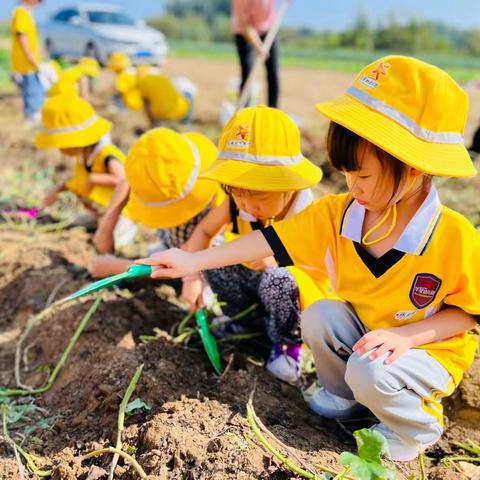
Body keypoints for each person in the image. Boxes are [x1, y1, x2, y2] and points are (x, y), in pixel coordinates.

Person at [136, 56, 480, 461]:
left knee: (369, 370)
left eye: (363, 176)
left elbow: (468, 315)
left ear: (413, 169)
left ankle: (414, 426)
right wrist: (193, 263)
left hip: (424, 351)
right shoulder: (341, 214)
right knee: (321, 315)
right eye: (347, 174)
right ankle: (346, 397)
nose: (353, 186)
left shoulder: (453, 235)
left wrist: (405, 338)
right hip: (368, 342)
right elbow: (270, 241)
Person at [181, 105, 331, 383]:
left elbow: (323, 273)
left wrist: (274, 262)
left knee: (278, 279)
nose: (248, 205)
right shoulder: (238, 205)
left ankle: (288, 344)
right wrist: (192, 276)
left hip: (301, 300)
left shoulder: (311, 215)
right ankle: (243, 321)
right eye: (238, 194)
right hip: (254, 289)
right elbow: (203, 231)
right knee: (216, 260)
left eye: (259, 195)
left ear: (289, 183)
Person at [90, 128, 225, 291]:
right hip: (174, 243)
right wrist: (106, 228)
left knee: (208, 287)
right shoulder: (175, 165)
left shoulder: (218, 209)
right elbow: (128, 181)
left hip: (203, 261)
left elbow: (186, 258)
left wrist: (118, 268)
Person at [34, 94, 134, 242]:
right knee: (73, 223)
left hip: (121, 212)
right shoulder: (84, 158)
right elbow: (76, 181)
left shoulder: (107, 156)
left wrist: (94, 178)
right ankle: (98, 220)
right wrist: (58, 191)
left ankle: (125, 227)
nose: (60, 149)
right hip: (99, 210)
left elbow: (123, 180)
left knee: (114, 240)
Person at [232, 0, 279, 107]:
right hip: (243, 32)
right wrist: (259, 46)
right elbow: (245, 25)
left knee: (273, 73)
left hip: (268, 29)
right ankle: (244, 112)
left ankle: (274, 111)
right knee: (248, 73)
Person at [10, 0, 45, 122]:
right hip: (25, 61)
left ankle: (31, 115)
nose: (40, 3)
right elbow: (21, 34)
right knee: (33, 88)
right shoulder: (21, 12)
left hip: (27, 60)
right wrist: (30, 56)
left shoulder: (25, 12)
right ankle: (32, 115)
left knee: (30, 87)